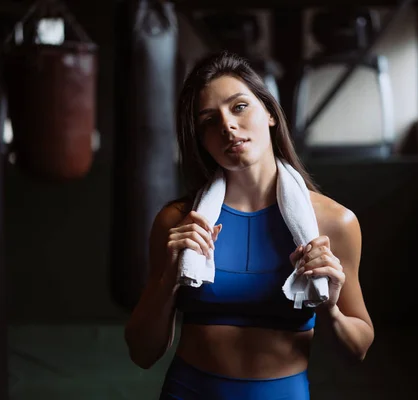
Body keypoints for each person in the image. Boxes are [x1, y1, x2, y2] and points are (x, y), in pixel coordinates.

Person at [124, 51, 374, 399]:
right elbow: (141, 352)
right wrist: (168, 279)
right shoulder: (179, 222)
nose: (226, 125)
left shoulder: (334, 223)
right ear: (202, 139)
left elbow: (357, 348)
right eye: (209, 120)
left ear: (270, 113)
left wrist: (329, 307)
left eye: (239, 107)